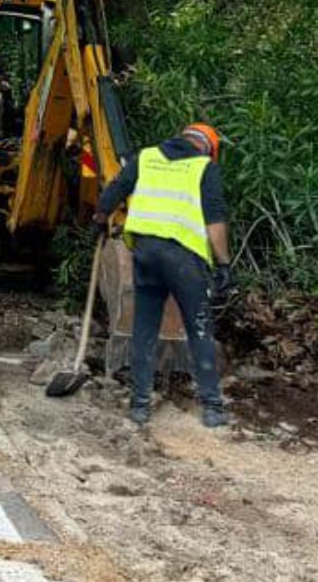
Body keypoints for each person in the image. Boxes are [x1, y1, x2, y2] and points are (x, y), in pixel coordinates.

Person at [94, 122, 235, 429]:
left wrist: (100, 217)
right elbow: (214, 220)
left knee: (144, 328)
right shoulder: (204, 168)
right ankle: (212, 407)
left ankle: (140, 405)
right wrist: (223, 263)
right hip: (183, 259)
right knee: (199, 328)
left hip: (145, 254)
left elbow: (116, 188)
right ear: (209, 149)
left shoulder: (146, 157)